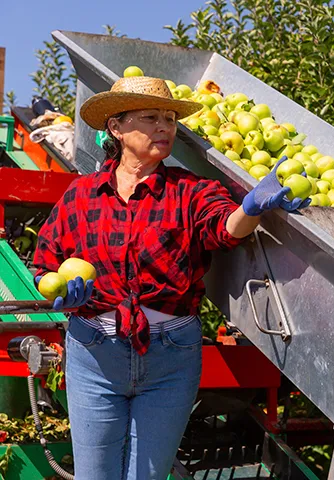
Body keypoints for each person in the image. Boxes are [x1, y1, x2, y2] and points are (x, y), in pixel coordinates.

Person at [33, 76, 308, 479]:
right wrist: (62, 295)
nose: (165, 127)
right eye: (151, 118)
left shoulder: (190, 191)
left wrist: (250, 207)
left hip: (170, 355)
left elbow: (223, 227)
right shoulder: (82, 194)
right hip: (93, 352)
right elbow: (45, 262)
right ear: (116, 127)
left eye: (170, 119)